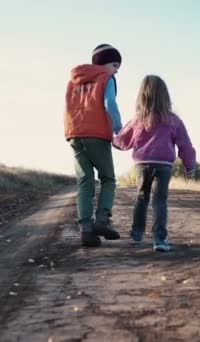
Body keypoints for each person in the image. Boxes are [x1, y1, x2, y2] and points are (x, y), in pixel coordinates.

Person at [112, 75, 196, 252]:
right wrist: (190, 166)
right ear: (166, 96)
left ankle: (136, 235)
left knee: (141, 198)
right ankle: (159, 240)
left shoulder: (138, 120)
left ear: (142, 95)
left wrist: (113, 142)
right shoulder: (173, 120)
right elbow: (185, 145)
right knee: (160, 202)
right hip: (164, 165)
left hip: (142, 164)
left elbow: (122, 140)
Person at [64, 44, 124, 247]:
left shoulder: (73, 81)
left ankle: (86, 230)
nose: (116, 70)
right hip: (97, 133)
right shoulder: (107, 78)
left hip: (74, 133)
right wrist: (119, 130)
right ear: (104, 62)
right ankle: (102, 220)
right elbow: (110, 104)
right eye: (115, 65)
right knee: (108, 179)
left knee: (85, 181)